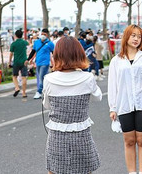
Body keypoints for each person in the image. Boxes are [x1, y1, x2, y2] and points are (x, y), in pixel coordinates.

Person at [107, 25, 142, 174]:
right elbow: (112, 85)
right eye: (133, 35)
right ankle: (132, 172)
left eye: (139, 36)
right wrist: (113, 108)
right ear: (126, 37)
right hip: (124, 104)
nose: (136, 39)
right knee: (129, 141)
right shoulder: (116, 61)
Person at [43, 36, 102, 174]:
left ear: (57, 55)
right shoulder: (87, 78)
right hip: (81, 134)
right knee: (85, 170)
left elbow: (47, 105)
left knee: (54, 170)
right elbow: (98, 97)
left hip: (57, 135)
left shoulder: (49, 79)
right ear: (79, 54)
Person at [28, 28, 54, 99]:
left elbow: (54, 53)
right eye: (42, 34)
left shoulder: (50, 44)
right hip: (38, 62)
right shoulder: (36, 42)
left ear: (47, 35)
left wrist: (55, 62)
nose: (43, 35)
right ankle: (47, 90)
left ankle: (39, 92)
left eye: (44, 34)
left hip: (45, 63)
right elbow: (33, 52)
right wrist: (28, 59)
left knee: (41, 77)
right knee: (41, 78)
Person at [10, 29, 29, 99]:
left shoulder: (13, 44)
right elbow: (29, 49)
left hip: (16, 62)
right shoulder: (25, 42)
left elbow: (11, 54)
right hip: (24, 62)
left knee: (14, 76)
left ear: (15, 36)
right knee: (24, 77)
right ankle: (24, 93)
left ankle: (17, 87)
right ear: (22, 35)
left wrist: (9, 61)